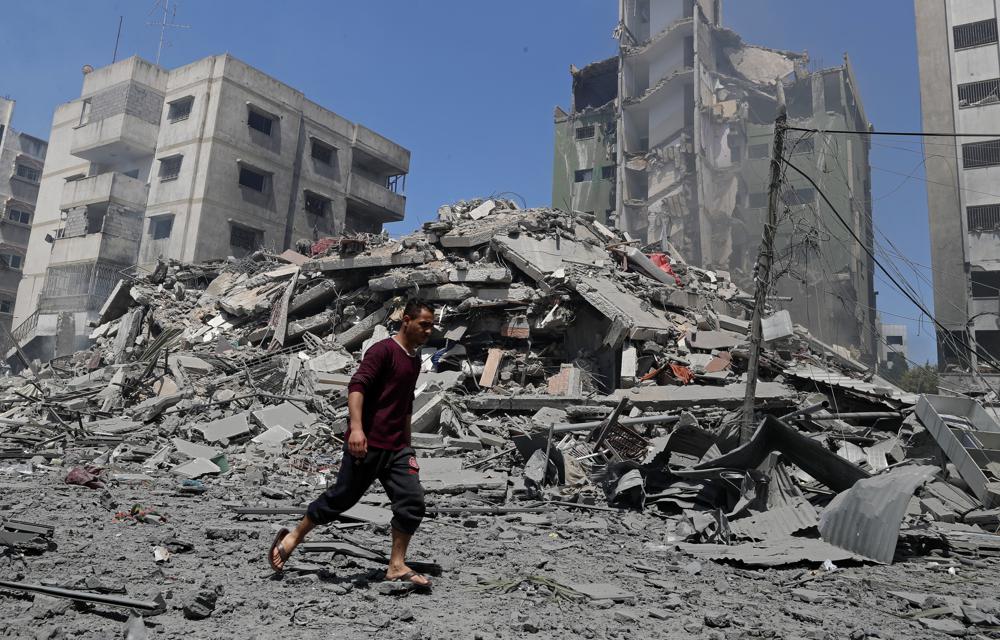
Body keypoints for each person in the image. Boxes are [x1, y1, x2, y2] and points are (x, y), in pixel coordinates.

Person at [269, 299, 435, 589]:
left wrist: (408, 447)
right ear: (406, 320)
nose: (429, 331)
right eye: (424, 324)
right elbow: (357, 387)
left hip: (397, 448)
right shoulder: (382, 351)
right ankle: (294, 536)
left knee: (412, 502)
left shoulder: (413, 359)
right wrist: (356, 429)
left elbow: (406, 404)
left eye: (431, 326)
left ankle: (396, 566)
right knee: (341, 499)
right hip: (367, 443)